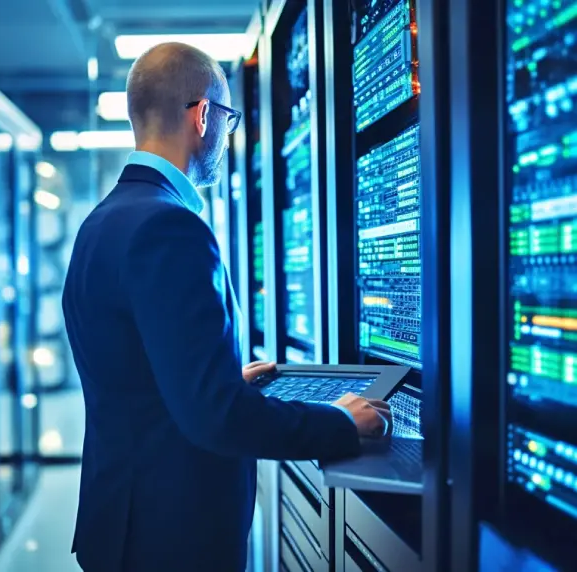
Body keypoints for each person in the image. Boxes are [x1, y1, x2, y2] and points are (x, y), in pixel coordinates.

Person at [62, 42, 392, 572]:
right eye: (228, 119)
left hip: (125, 523)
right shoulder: (169, 226)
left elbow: (131, 375)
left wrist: (216, 377)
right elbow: (215, 419)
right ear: (202, 115)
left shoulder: (101, 222)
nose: (225, 137)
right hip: (172, 537)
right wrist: (339, 421)